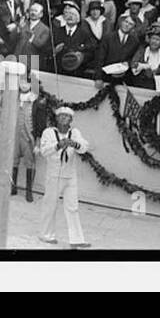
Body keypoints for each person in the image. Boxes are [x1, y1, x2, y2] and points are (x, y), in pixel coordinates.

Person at [38, 105, 91, 249]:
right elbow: (44, 151)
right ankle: (46, 234)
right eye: (61, 115)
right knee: (50, 204)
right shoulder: (48, 132)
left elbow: (85, 147)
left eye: (67, 117)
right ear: (56, 118)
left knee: (72, 207)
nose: (63, 118)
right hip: (53, 175)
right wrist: (57, 145)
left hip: (70, 176)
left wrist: (74, 144)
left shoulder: (74, 132)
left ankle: (76, 239)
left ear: (71, 119)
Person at [10, 76, 38, 202]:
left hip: (28, 136)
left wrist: (37, 140)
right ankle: (13, 186)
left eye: (27, 82)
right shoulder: (13, 98)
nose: (24, 85)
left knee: (29, 162)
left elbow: (39, 122)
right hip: (15, 134)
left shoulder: (36, 100)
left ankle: (28, 191)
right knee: (13, 161)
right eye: (22, 82)